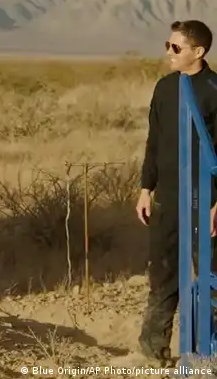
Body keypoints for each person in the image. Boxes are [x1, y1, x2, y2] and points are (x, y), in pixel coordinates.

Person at [126, 20, 217, 366]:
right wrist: (145, 188)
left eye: (175, 47)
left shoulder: (214, 90)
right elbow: (154, 141)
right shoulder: (165, 87)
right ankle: (153, 352)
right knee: (162, 273)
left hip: (205, 199)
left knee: (210, 276)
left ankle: (207, 354)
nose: (168, 52)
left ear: (198, 51)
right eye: (167, 45)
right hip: (167, 197)